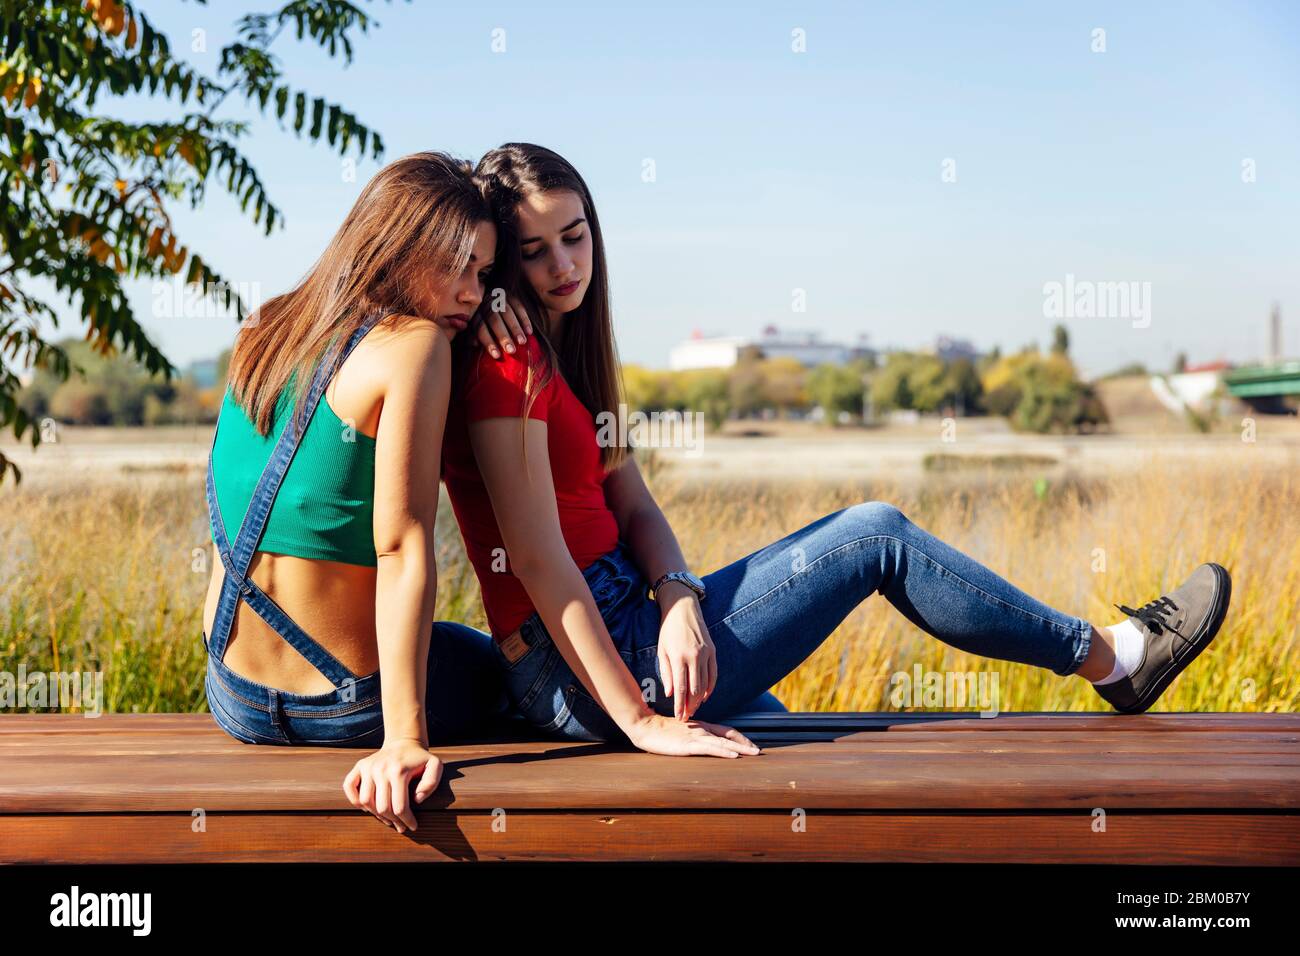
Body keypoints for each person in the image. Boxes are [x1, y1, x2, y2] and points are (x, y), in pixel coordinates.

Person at [442, 142, 1233, 759]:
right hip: (585, 663)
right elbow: (540, 563)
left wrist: (681, 597)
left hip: (628, 622)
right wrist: (643, 723)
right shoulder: (509, 363)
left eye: (574, 238)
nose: (563, 265)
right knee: (876, 536)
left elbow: (636, 505)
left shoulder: (563, 359)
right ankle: (1116, 660)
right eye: (535, 251)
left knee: (783, 739)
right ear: (505, 262)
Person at [202, 150, 526, 834]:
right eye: (458, 265)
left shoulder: (264, 328)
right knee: (514, 674)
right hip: (348, 704)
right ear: (399, 245)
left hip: (231, 694)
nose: (473, 293)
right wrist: (403, 740)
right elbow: (403, 547)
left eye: (485, 275)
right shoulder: (414, 346)